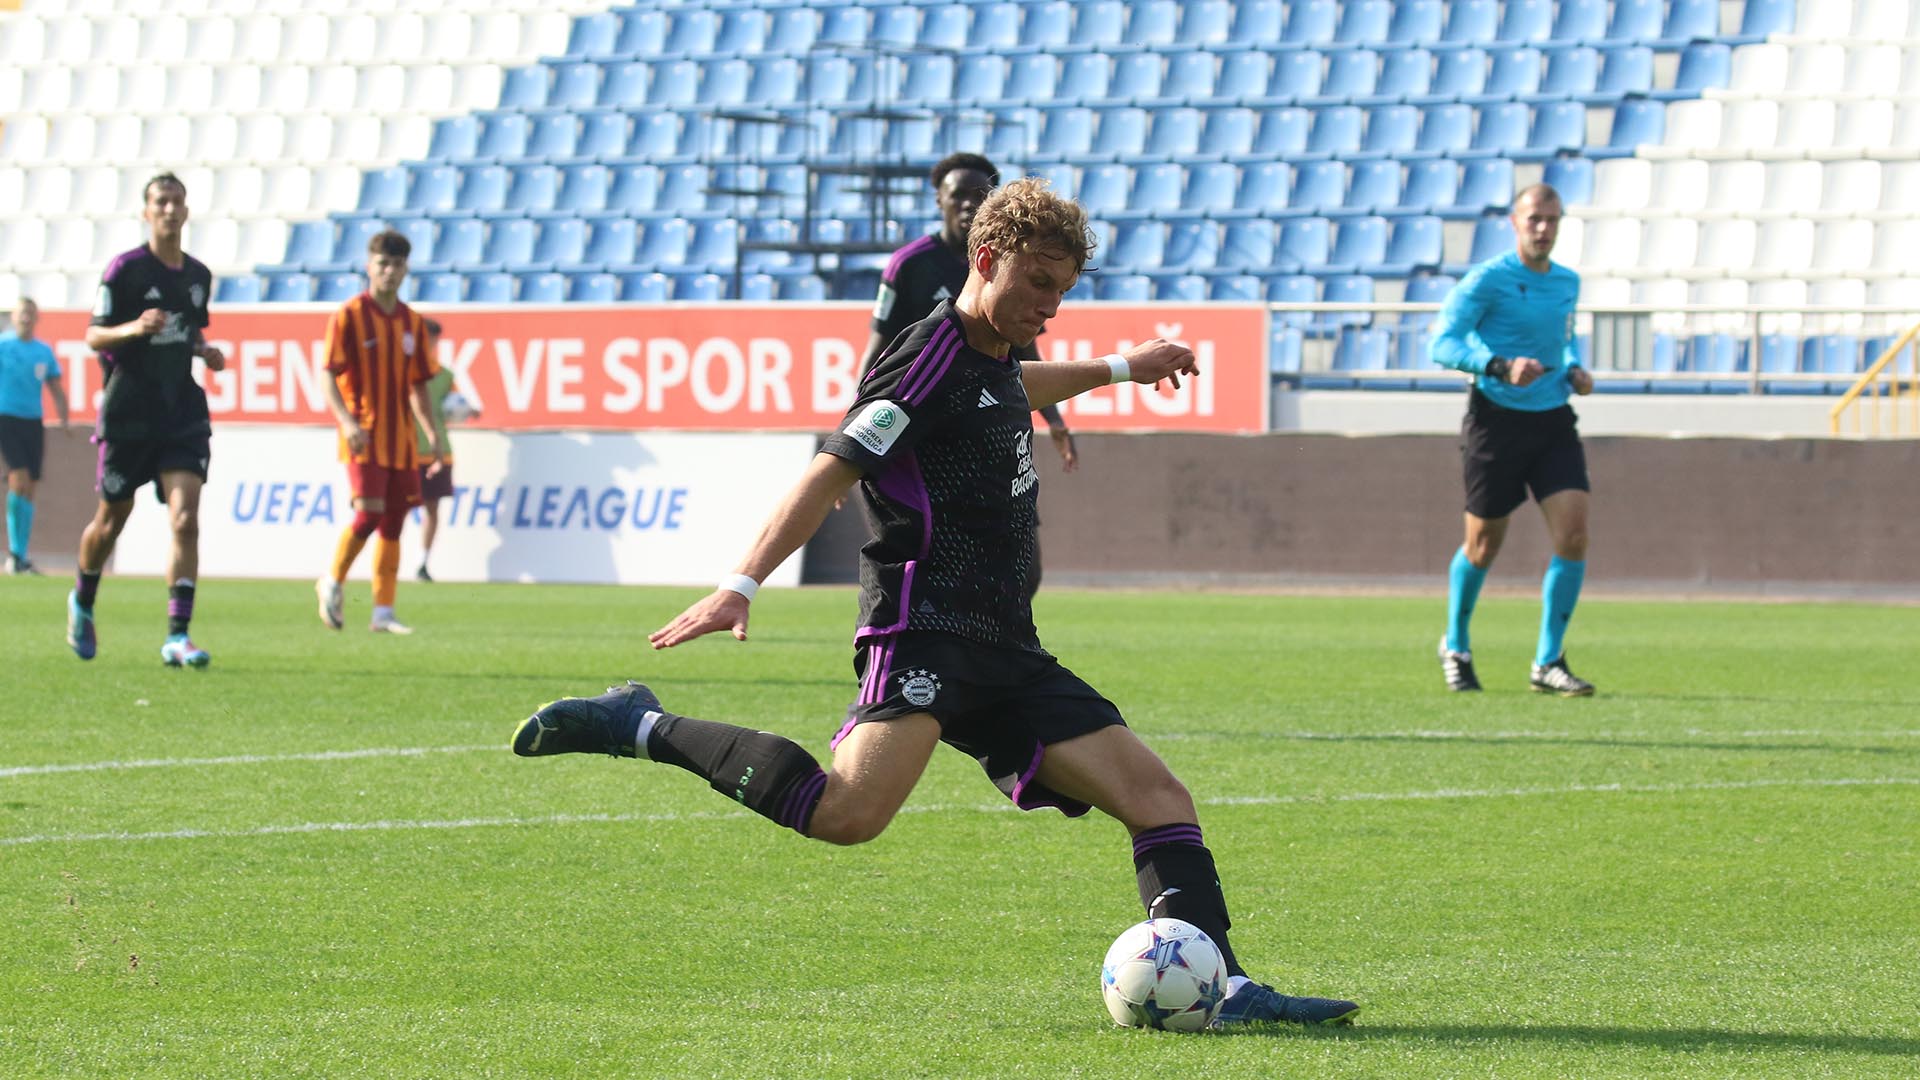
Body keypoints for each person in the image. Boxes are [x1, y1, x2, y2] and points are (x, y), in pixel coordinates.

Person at [511, 178, 1359, 1029]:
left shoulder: (990, 359)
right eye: (1037, 284)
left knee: (1159, 799)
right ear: (985, 261)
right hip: (924, 632)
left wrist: (1120, 369)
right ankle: (638, 724)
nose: (1050, 307)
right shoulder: (927, 356)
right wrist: (741, 584)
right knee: (846, 814)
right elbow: (830, 468)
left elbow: (1010, 390)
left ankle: (1228, 988)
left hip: (1008, 647)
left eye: (1063, 291)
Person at [1430, 183, 1595, 697]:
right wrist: (1500, 366)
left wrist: (1573, 370)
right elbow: (1442, 343)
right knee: (1483, 546)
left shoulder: (1567, 282)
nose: (1543, 229)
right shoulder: (1488, 280)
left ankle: (1548, 660)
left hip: (1552, 420)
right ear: (1514, 222)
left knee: (1573, 535)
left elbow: (1561, 340)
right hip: (1495, 421)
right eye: (1534, 219)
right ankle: (1455, 644)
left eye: (1552, 219)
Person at [68, 172, 226, 666]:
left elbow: (188, 335)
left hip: (180, 411)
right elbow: (93, 336)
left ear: (187, 210)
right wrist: (135, 327)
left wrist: (206, 351)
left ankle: (178, 635)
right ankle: (83, 599)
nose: (170, 210)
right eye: (161, 201)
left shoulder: (198, 276)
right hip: (129, 412)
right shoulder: (126, 270)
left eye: (178, 201)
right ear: (146, 211)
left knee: (185, 519)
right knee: (110, 521)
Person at [863, 153, 1077, 475]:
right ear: (939, 199)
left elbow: (1027, 351)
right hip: (927, 417)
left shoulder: (1012, 261)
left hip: (993, 414)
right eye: (958, 195)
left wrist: (1055, 420)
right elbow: (878, 353)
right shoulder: (908, 265)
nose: (968, 204)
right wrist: (851, 440)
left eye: (978, 196)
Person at [314, 229, 446, 635]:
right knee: (369, 512)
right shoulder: (349, 315)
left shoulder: (411, 321)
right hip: (364, 434)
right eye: (383, 264)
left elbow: (419, 384)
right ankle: (332, 580)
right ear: (369, 266)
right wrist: (347, 422)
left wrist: (431, 432)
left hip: (402, 440)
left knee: (394, 521)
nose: (389, 272)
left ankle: (382, 611)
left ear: (406, 269)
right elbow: (328, 375)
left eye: (397, 265)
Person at [1, 298, 71, 574]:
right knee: (18, 480)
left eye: (30, 313)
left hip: (32, 421)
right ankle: (15, 555)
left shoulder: (43, 351)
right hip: (5, 418)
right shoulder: (3, 345)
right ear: (13, 317)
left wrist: (64, 419)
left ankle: (21, 554)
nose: (26, 318)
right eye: (21, 313)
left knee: (29, 487)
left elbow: (55, 386)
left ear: (36, 317)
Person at [412, 318, 456, 583]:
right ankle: (387, 563)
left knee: (432, 507)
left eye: (433, 339)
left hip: (437, 452)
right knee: (394, 510)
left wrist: (467, 410)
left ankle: (423, 562)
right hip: (405, 451)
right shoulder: (401, 371)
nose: (430, 344)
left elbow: (454, 407)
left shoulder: (445, 376)